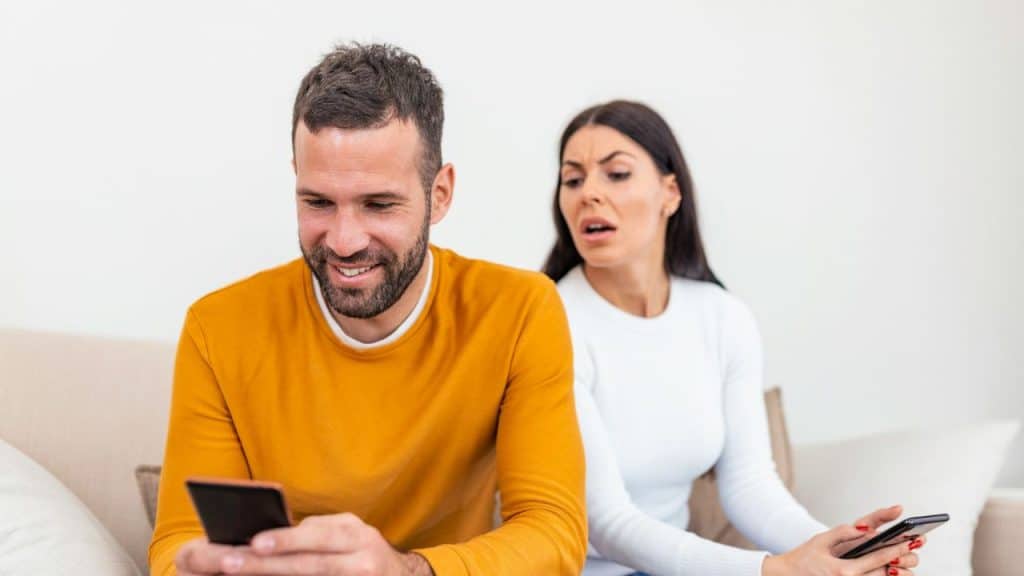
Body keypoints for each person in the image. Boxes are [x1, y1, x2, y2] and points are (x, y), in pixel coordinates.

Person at [149, 43, 587, 576]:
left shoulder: (520, 312)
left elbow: (553, 531)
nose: (344, 240)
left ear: (440, 193)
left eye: (379, 204)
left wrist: (405, 571)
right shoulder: (216, 329)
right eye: (317, 202)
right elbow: (178, 543)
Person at [543, 100, 924, 576]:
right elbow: (604, 523)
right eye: (573, 179)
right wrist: (773, 569)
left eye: (615, 174)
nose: (589, 194)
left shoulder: (721, 318)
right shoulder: (549, 321)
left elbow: (749, 485)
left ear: (670, 193)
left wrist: (837, 552)